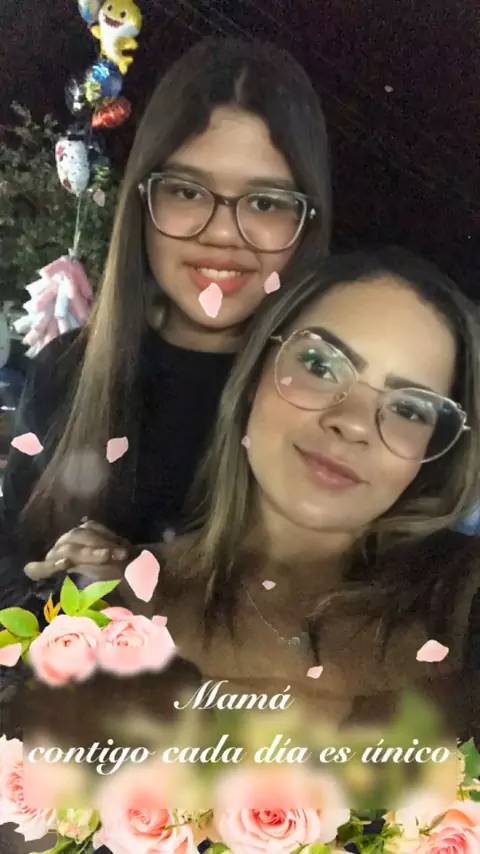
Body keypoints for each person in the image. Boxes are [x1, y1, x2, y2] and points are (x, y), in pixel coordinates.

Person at [19, 247, 480, 741]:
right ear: (255, 371)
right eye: (320, 365)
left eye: (411, 409)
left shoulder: (461, 601)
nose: (352, 423)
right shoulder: (113, 604)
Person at [0, 35, 331, 572]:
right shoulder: (65, 372)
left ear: (307, 223)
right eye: (187, 191)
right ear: (143, 198)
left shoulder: (327, 411)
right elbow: (11, 561)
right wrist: (52, 591)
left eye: (266, 202)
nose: (222, 233)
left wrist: (156, 591)